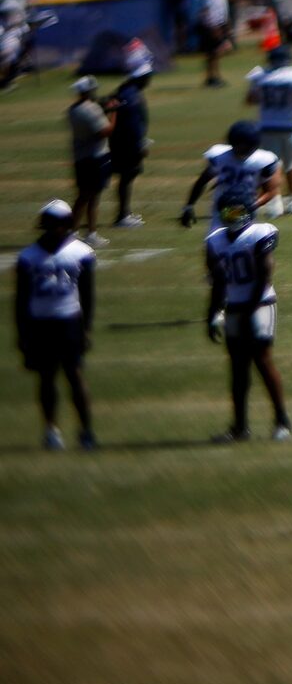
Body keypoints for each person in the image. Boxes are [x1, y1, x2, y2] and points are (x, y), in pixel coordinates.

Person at [203, 193, 292, 442]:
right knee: (238, 368)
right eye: (228, 213)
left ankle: (282, 421)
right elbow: (218, 281)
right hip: (235, 306)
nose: (233, 217)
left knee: (262, 361)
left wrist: (249, 310)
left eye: (237, 212)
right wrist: (212, 313)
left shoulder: (259, 233)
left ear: (247, 212)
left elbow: (265, 276)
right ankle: (239, 427)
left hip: (260, 304)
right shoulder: (214, 241)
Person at [16, 201, 97, 450]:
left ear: (67, 225)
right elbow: (21, 299)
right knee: (46, 377)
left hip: (68, 319)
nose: (54, 230)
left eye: (59, 225)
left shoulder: (82, 253)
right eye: (50, 225)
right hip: (40, 322)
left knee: (74, 375)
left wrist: (86, 328)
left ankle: (86, 431)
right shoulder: (28, 257)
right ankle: (51, 430)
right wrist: (23, 332)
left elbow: (88, 295)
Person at [245, 46, 292, 212]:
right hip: (290, 125)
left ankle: (274, 201)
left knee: (272, 165)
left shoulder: (261, 76)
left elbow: (250, 100)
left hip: (267, 125)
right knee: (291, 163)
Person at [181, 120, 282, 232]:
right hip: (220, 209)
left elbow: (270, 191)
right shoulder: (219, 157)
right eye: (238, 145)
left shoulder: (264, 160)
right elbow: (202, 181)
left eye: (245, 146)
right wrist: (189, 206)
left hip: (247, 211)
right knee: (216, 244)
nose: (241, 149)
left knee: (247, 244)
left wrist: (251, 205)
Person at [66, 77, 111, 241]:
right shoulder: (91, 109)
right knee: (93, 197)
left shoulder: (72, 110)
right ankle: (91, 233)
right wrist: (113, 113)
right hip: (96, 156)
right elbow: (105, 131)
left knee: (82, 196)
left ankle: (71, 231)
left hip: (80, 157)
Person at [106, 66, 151, 227]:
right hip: (127, 145)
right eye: (147, 76)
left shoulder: (127, 92)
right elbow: (132, 126)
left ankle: (125, 212)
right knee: (127, 177)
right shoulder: (131, 96)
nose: (149, 79)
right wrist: (140, 144)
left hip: (125, 142)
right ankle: (122, 215)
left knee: (128, 177)